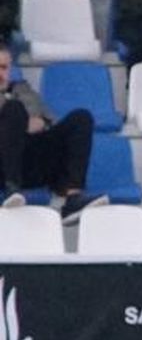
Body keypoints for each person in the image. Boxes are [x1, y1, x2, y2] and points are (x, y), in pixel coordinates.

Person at [0, 45, 99, 219]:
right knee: (13, 109)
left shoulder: (22, 89)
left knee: (81, 118)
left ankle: (73, 197)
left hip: (30, 158)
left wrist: (21, 123)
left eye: (3, 67)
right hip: (3, 167)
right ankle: (11, 189)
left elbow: (45, 119)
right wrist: (16, 120)